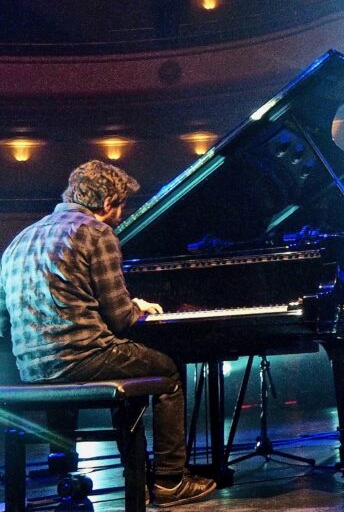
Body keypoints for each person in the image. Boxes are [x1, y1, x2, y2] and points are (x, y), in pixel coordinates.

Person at [0, 160, 216, 507]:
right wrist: (138, 307)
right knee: (169, 369)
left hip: (29, 369)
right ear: (107, 202)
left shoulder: (19, 240)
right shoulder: (96, 232)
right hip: (82, 357)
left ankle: (137, 478)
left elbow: (2, 323)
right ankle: (170, 481)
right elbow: (119, 319)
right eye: (123, 204)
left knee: (129, 364)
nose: (122, 213)